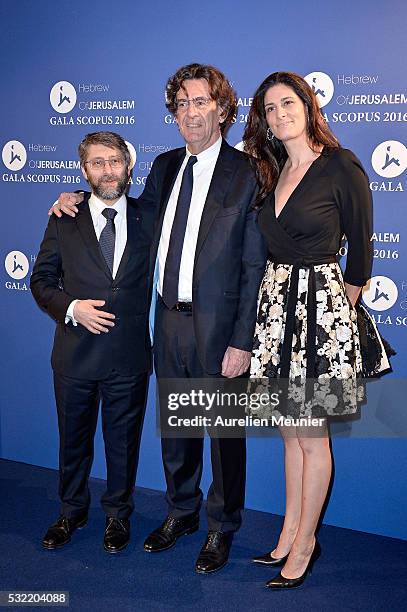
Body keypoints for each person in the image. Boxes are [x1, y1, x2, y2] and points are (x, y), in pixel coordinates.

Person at [49, 63, 268, 574]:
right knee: (178, 430)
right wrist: (74, 201)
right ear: (174, 113)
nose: (190, 112)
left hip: (221, 329)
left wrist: (244, 339)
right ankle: (182, 512)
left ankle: (221, 526)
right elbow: (122, 210)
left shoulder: (248, 171)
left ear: (221, 107)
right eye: (181, 104)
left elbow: (255, 264)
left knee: (222, 435)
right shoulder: (166, 167)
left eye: (200, 101)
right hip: (167, 321)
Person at [242, 71, 386, 589]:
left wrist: (335, 313)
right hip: (275, 305)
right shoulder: (272, 171)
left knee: (311, 433)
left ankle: (305, 545)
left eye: (288, 103)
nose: (280, 115)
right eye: (270, 108)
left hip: (319, 309)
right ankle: (289, 530)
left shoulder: (339, 165)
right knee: (289, 434)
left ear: (308, 106)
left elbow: (362, 250)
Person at [31, 131, 155, 554]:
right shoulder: (63, 217)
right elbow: (41, 281)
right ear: (84, 170)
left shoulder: (149, 216)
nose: (107, 170)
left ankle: (118, 515)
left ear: (128, 166)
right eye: (97, 163)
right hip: (75, 352)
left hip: (129, 355)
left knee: (123, 443)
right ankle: (71, 511)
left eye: (115, 161)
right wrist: (72, 308)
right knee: (73, 440)